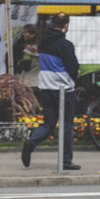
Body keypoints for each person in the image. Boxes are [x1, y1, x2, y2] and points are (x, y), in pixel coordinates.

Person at [21, 12, 81, 170]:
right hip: (63, 90)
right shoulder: (65, 44)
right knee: (67, 125)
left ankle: (31, 142)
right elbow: (73, 68)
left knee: (48, 123)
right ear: (66, 25)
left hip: (46, 88)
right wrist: (75, 76)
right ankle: (66, 161)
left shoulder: (43, 43)